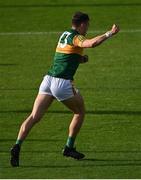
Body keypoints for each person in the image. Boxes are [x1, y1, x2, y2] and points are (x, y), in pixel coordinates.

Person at [10, 11, 120, 167]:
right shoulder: (76, 36)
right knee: (79, 112)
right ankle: (69, 147)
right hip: (62, 84)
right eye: (87, 25)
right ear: (82, 24)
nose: (87, 28)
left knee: (34, 116)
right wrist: (110, 33)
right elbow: (90, 44)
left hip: (47, 81)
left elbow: (64, 55)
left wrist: (80, 59)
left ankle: (17, 145)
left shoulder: (65, 34)